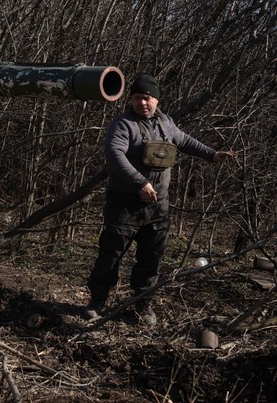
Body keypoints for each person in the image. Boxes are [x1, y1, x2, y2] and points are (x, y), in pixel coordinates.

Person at [85, 74, 236, 325]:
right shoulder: (122, 124)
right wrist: (139, 182)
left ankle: (142, 305)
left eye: (146, 98)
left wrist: (211, 154)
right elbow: (114, 154)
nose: (141, 103)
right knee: (110, 255)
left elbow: (185, 141)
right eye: (136, 98)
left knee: (151, 258)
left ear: (156, 99)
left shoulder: (166, 123)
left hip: (158, 205)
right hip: (124, 204)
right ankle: (96, 301)